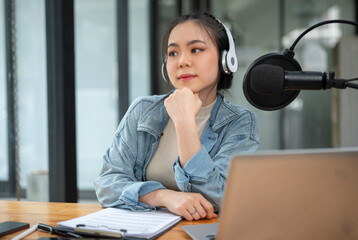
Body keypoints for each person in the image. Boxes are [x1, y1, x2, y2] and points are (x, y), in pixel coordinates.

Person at [94, 12, 259, 221]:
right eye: (173, 53)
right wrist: (163, 196)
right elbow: (107, 184)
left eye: (196, 49)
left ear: (225, 60)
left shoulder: (241, 123)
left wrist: (184, 122)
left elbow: (218, 199)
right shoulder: (143, 110)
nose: (182, 61)